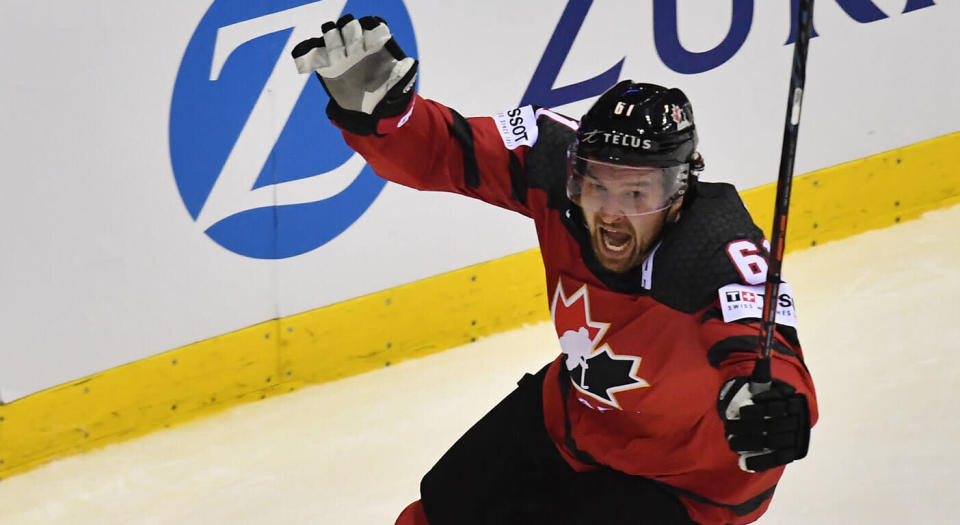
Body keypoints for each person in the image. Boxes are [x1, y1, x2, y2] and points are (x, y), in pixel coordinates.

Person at [292, 15, 817, 525]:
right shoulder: (550, 161)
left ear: (679, 193)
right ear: (575, 176)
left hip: (684, 483)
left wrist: (770, 406)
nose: (612, 213)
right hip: (574, 420)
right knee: (445, 505)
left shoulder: (715, 249)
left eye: (637, 193)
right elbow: (446, 151)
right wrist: (385, 118)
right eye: (599, 187)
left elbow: (766, 354)